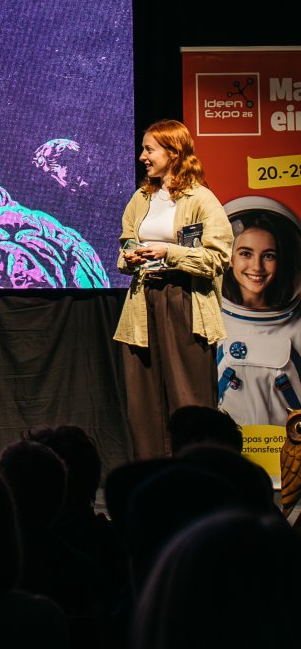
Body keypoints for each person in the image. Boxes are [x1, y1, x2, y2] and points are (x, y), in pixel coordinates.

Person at [113, 119, 231, 459]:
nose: (142, 157)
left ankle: (198, 471)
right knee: (144, 401)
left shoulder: (201, 199)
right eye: (143, 149)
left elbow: (218, 258)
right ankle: (153, 475)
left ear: (173, 153)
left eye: (149, 150)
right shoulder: (141, 198)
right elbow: (125, 246)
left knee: (188, 396)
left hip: (185, 301)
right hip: (142, 302)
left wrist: (170, 252)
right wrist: (130, 258)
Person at [216, 209, 301, 427]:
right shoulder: (210, 321)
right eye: (246, 253)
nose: (257, 267)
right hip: (226, 442)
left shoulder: (297, 325)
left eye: (268, 256)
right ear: (230, 257)